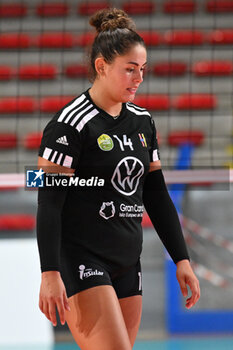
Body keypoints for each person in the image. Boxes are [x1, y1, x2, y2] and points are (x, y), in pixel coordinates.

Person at [36, 8, 200, 350]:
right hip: (82, 258)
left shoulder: (143, 121)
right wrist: (50, 272)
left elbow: (156, 195)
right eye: (130, 69)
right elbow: (49, 202)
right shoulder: (70, 124)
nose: (138, 78)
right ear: (101, 66)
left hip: (128, 260)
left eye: (142, 70)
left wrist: (182, 260)